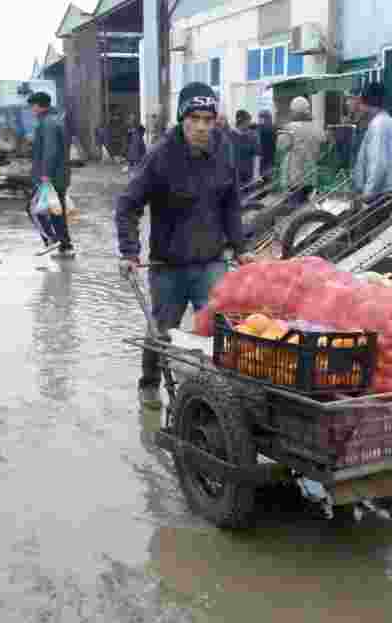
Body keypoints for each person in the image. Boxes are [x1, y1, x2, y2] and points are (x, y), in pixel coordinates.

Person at [116, 82, 244, 410]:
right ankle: (149, 383)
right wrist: (130, 252)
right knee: (161, 331)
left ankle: (214, 398)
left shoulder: (224, 149)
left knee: (219, 332)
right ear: (181, 119)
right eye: (194, 119)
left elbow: (231, 202)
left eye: (208, 119)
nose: (202, 127)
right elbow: (127, 204)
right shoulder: (160, 156)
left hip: (211, 261)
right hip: (168, 266)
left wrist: (238, 246)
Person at [29, 91, 73, 257]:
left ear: (39, 106)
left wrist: (45, 174)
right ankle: (65, 246)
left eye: (32, 106)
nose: (31, 110)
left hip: (50, 176)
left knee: (33, 208)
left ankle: (52, 240)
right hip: (61, 175)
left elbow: (50, 151)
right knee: (56, 210)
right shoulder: (57, 120)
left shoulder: (47, 123)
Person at [351, 82, 392, 201]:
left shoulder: (378, 125)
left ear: (366, 104)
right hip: (384, 190)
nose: (359, 108)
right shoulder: (386, 121)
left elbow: (378, 164)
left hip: (379, 193)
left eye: (360, 104)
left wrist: (367, 194)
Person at [277, 96, 324, 205]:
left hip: (294, 177)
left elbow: (281, 146)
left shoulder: (290, 128)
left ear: (294, 111)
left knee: (294, 208)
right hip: (311, 175)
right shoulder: (317, 127)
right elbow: (322, 144)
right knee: (308, 207)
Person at [233, 110, 260, 187]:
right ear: (241, 121)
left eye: (249, 121)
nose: (249, 124)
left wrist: (256, 175)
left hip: (248, 175)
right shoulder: (229, 135)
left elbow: (256, 156)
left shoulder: (252, 136)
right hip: (234, 175)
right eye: (247, 121)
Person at [258, 110, 276, 180]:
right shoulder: (274, 128)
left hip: (265, 160)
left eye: (260, 118)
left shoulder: (261, 129)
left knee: (266, 179)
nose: (259, 120)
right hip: (270, 159)